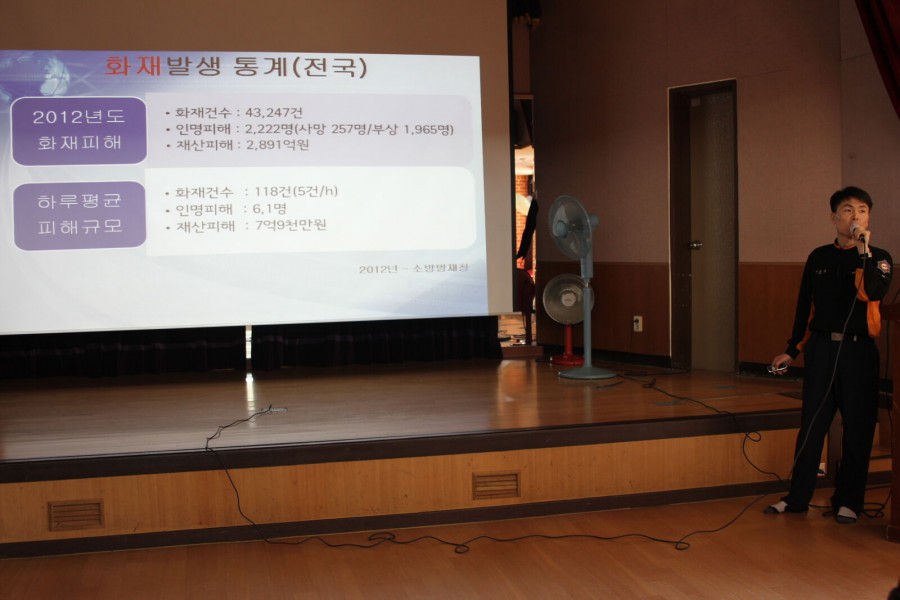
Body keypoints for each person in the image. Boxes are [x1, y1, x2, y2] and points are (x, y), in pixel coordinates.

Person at [764, 186, 892, 524]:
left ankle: (849, 501)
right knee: (812, 425)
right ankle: (796, 498)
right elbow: (805, 306)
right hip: (821, 349)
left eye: (862, 210)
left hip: (859, 352)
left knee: (859, 429)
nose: (855, 216)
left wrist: (863, 251)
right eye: (848, 210)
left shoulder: (879, 257)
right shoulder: (818, 257)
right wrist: (792, 348)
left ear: (868, 217)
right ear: (834, 217)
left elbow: (872, 292)